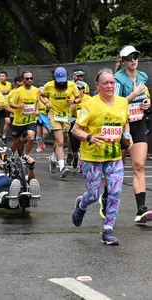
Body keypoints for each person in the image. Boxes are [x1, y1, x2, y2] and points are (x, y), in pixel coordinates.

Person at [72, 68, 132, 245]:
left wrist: (127, 136)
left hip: (114, 157)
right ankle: (81, 205)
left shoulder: (122, 103)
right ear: (97, 85)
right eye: (105, 82)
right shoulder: (89, 105)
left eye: (112, 82)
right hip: (92, 157)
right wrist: (90, 137)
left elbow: (125, 122)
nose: (109, 85)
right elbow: (75, 130)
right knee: (93, 194)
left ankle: (108, 230)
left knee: (115, 192)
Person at [102, 45, 152, 224]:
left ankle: (141, 210)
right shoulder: (117, 79)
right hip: (120, 125)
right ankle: (106, 196)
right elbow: (113, 104)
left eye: (136, 55)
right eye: (129, 57)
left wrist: (147, 102)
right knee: (117, 166)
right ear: (123, 60)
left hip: (139, 123)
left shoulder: (143, 76)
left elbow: (145, 96)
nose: (133, 59)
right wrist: (133, 94)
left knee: (139, 165)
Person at [40, 67, 80, 178]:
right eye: (59, 81)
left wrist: (73, 101)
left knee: (61, 140)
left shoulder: (72, 86)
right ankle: (62, 168)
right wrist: (46, 103)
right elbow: (41, 96)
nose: (61, 83)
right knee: (61, 141)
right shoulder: (49, 85)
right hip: (54, 115)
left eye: (63, 81)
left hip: (66, 116)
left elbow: (79, 98)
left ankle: (53, 157)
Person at [10, 71, 39, 156]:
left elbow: (37, 101)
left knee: (30, 137)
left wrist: (37, 110)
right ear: (23, 80)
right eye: (27, 79)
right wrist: (19, 106)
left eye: (31, 78)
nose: (29, 80)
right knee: (17, 141)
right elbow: (11, 103)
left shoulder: (36, 90)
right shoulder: (18, 91)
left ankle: (25, 156)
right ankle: (12, 156)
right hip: (19, 120)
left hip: (31, 119)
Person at [68, 81, 91, 168]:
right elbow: (69, 112)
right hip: (75, 122)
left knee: (84, 142)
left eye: (79, 89)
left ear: (83, 90)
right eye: (76, 89)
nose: (78, 91)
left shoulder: (89, 99)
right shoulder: (72, 99)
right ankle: (75, 156)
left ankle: (83, 164)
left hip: (86, 124)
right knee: (74, 143)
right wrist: (73, 103)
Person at [0, 71, 12, 145]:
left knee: (8, 121)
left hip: (6, 106)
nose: (1, 77)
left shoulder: (9, 84)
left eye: (3, 76)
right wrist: (2, 92)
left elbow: (10, 92)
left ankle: (4, 136)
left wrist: (8, 91)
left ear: (6, 77)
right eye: (0, 76)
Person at [36, 87, 50, 152]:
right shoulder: (37, 100)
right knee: (39, 132)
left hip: (46, 117)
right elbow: (35, 109)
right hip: (39, 116)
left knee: (45, 133)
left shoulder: (47, 100)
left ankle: (42, 141)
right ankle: (39, 146)